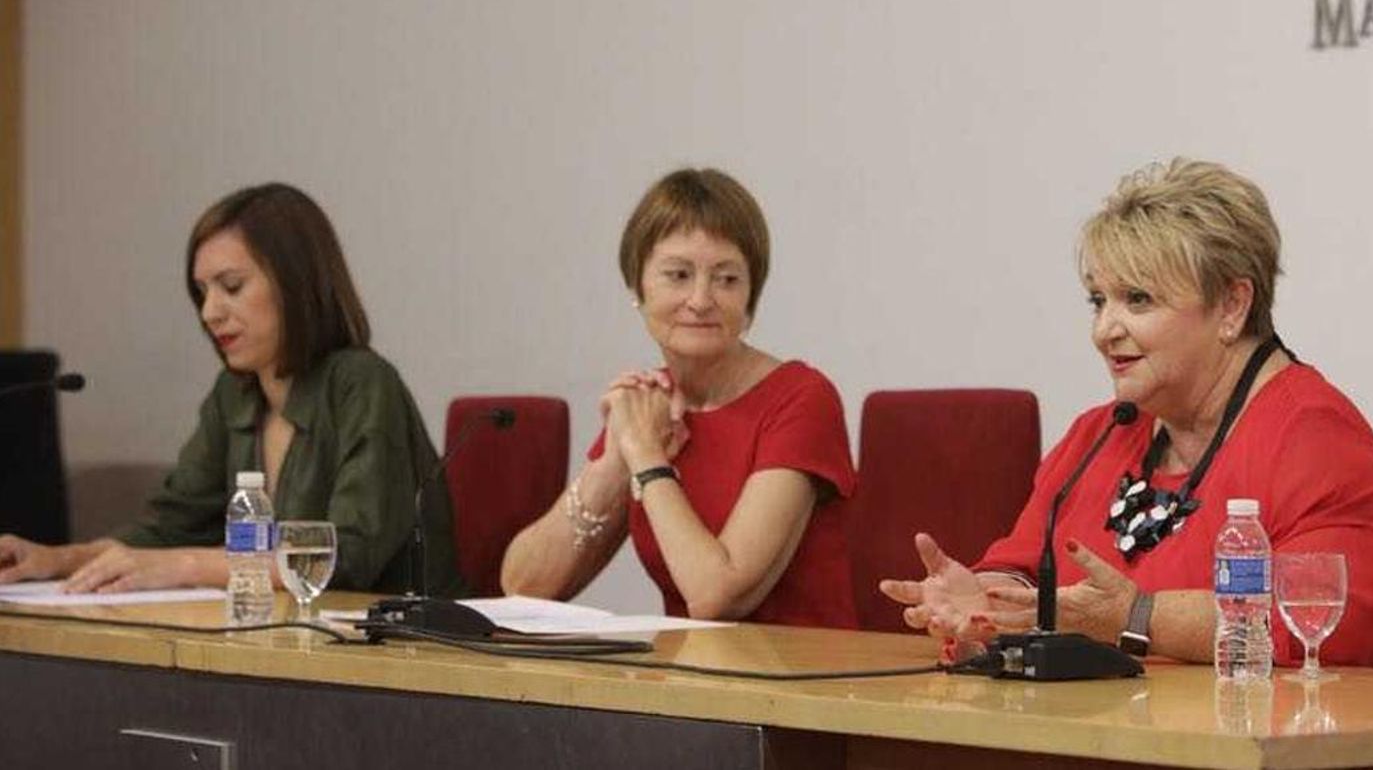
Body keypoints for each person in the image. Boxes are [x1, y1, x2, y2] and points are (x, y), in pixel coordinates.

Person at [880, 159, 1373, 671]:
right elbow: (1027, 567)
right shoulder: (1100, 435)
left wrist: (1135, 616)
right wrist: (986, 601)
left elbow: (1317, 625)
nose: (1104, 330)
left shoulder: (1315, 439)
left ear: (1232, 306)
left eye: (1138, 299)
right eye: (1098, 300)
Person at [0, 183, 462, 596]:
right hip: (280, 640)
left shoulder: (362, 382)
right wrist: (55, 560)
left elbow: (345, 558)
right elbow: (169, 527)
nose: (210, 313)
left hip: (400, 651)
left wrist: (185, 566)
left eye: (231, 286)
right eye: (202, 292)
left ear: (295, 283)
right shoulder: (234, 393)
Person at [500, 168, 856, 627]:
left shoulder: (802, 399)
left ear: (750, 297)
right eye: (679, 275)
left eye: (726, 279)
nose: (701, 299)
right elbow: (524, 586)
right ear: (638, 287)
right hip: (685, 669)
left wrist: (647, 458)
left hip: (802, 667)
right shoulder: (651, 405)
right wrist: (616, 459)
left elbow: (717, 597)